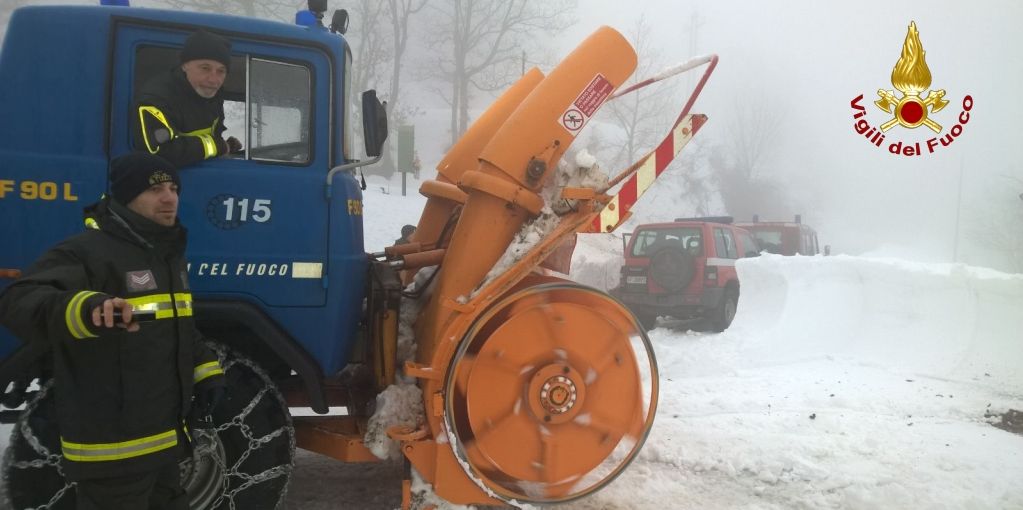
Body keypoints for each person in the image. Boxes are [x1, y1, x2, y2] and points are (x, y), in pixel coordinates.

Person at [0, 152, 226, 509]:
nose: (169, 198)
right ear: (126, 197)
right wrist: (86, 310)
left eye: (173, 188)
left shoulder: (167, 257)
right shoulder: (88, 252)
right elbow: (18, 301)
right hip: (113, 454)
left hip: (164, 444)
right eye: (154, 190)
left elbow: (180, 329)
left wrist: (207, 373)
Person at [133, 30, 242, 167]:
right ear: (185, 66)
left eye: (221, 71)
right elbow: (159, 151)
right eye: (205, 68)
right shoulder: (156, 99)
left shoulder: (214, 94)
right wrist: (217, 146)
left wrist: (226, 146)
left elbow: (214, 133)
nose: (214, 80)